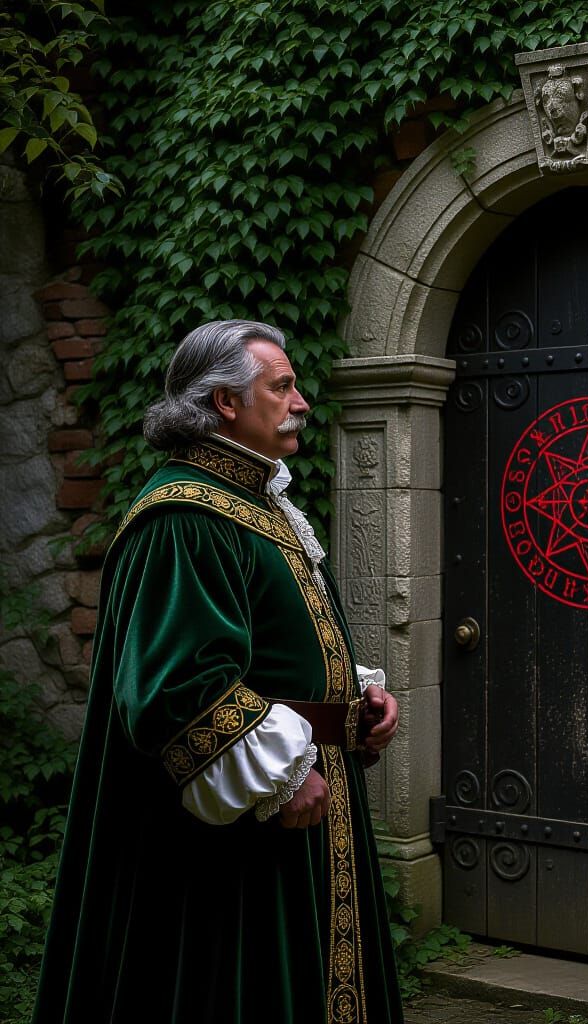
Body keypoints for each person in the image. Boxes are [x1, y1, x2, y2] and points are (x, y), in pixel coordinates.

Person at [33, 320, 404, 1023]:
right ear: (227, 403)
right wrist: (286, 771)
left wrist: (353, 699)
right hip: (245, 833)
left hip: (311, 802)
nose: (301, 403)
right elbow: (175, 687)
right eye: (283, 386)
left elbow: (276, 643)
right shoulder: (184, 515)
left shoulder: (254, 505)